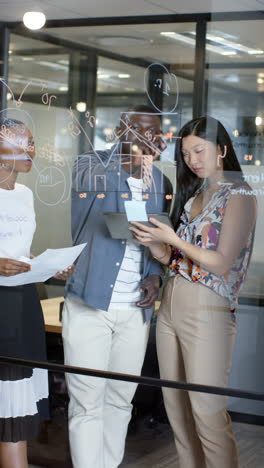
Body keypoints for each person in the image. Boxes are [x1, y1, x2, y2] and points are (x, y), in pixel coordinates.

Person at [129, 116, 257, 468]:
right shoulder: (196, 196)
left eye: (199, 150)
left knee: (207, 413)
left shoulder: (241, 194)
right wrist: (156, 244)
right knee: (178, 410)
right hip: (171, 304)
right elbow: (175, 258)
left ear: (223, 151)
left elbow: (221, 261)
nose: (193, 160)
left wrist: (172, 239)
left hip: (210, 311)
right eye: (186, 154)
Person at [62, 105, 173, 468]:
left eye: (158, 133)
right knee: (86, 403)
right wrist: (137, 167)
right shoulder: (89, 166)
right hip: (90, 304)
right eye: (144, 131)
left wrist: (156, 275)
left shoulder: (158, 179)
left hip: (134, 310)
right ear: (122, 132)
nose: (154, 139)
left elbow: (156, 244)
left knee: (120, 401)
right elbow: (112, 214)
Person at [0, 117, 74, 468]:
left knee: (15, 414)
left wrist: (45, 264)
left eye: (31, 142)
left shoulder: (26, 194)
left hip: (21, 303)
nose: (31, 150)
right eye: (21, 143)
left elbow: (17, 252)